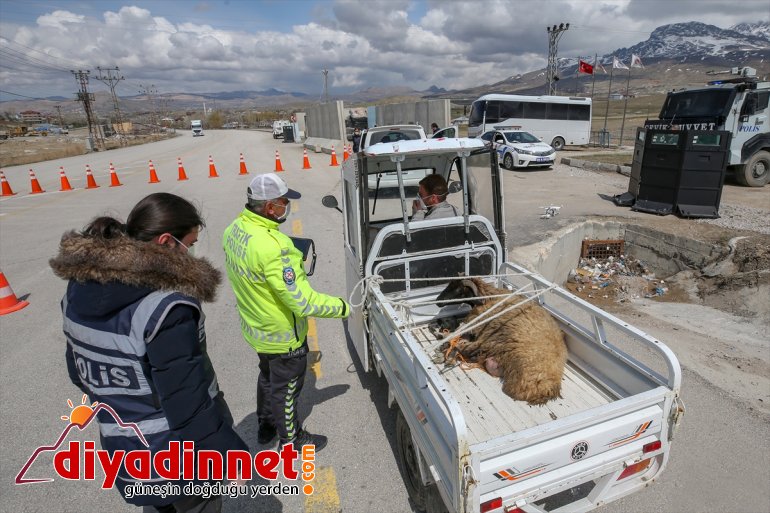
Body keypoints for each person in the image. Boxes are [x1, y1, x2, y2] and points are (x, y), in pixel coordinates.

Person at [49, 193, 248, 513]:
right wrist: (230, 455)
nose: (191, 253)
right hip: (176, 453)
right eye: (189, 244)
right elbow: (186, 402)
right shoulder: (166, 306)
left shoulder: (77, 291)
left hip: (125, 447)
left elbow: (79, 372)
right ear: (167, 242)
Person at [223, 173, 350, 452]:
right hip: (283, 337)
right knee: (287, 390)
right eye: (283, 202)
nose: (286, 207)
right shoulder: (276, 248)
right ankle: (292, 439)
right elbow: (304, 302)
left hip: (257, 329)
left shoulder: (234, 229)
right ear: (270, 207)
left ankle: (266, 425)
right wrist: (343, 307)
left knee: (268, 378)